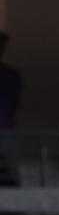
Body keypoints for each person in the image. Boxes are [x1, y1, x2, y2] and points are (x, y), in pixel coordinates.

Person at [0, 32, 21, 186]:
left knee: (10, 164)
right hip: (7, 125)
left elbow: (17, 101)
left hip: (6, 126)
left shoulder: (11, 73)